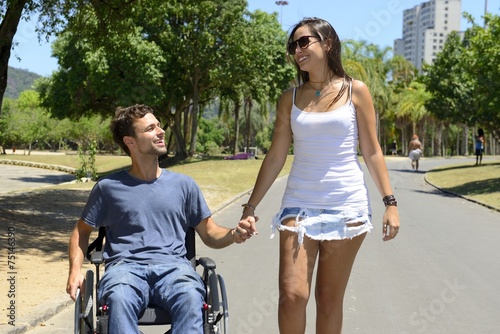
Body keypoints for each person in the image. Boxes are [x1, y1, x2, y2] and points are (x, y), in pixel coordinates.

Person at [239, 17, 400, 334]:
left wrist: (390, 202)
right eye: (292, 46)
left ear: (327, 43)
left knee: (328, 301)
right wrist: (250, 206)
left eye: (303, 42)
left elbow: (371, 151)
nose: (296, 50)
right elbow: (276, 156)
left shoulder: (356, 91)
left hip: (347, 206)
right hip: (298, 204)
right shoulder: (290, 98)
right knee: (292, 296)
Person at [66, 104, 253, 334]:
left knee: (189, 296)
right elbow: (81, 231)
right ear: (130, 142)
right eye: (150, 128)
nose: (161, 131)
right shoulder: (108, 188)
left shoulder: (184, 186)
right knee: (120, 298)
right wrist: (75, 271)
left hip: (174, 268)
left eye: (159, 125)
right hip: (125, 269)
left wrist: (234, 234)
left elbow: (210, 232)